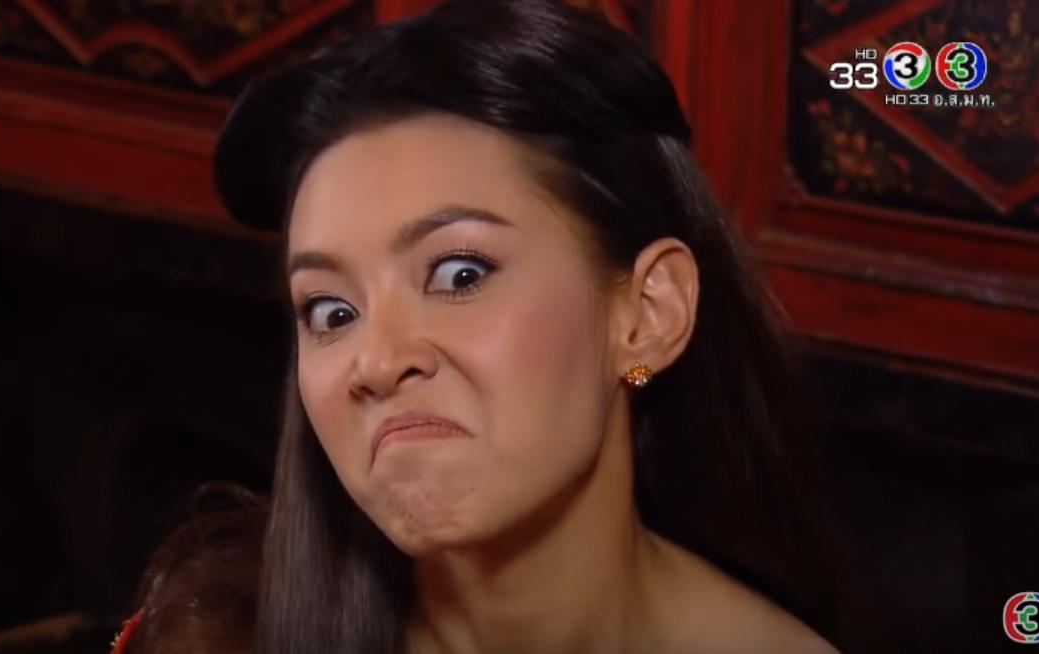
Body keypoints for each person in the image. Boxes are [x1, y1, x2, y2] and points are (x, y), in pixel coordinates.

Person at [116, 0, 843, 651]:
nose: (378, 362)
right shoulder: (213, 638)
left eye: (459, 275)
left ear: (649, 313)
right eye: (332, 312)